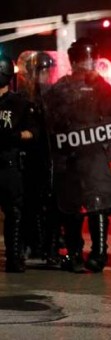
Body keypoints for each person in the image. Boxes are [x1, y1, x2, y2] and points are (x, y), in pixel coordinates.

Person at [43, 38, 111, 273]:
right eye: (83, 59)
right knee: (72, 205)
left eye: (90, 59)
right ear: (74, 60)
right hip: (71, 155)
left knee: (98, 203)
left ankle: (99, 253)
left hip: (94, 154)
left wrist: (110, 149)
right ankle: (75, 252)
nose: (87, 63)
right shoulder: (62, 87)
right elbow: (51, 119)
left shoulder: (102, 87)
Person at [16, 50, 61, 265]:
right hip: (32, 156)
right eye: (40, 71)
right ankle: (28, 244)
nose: (44, 76)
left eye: (47, 71)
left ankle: (50, 246)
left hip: (52, 155)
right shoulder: (23, 98)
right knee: (29, 202)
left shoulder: (55, 96)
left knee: (53, 203)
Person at [0, 51, 37, 272]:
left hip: (9, 164)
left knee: (14, 212)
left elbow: (33, 132)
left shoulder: (18, 103)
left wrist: (14, 136)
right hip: (6, 163)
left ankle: (14, 257)